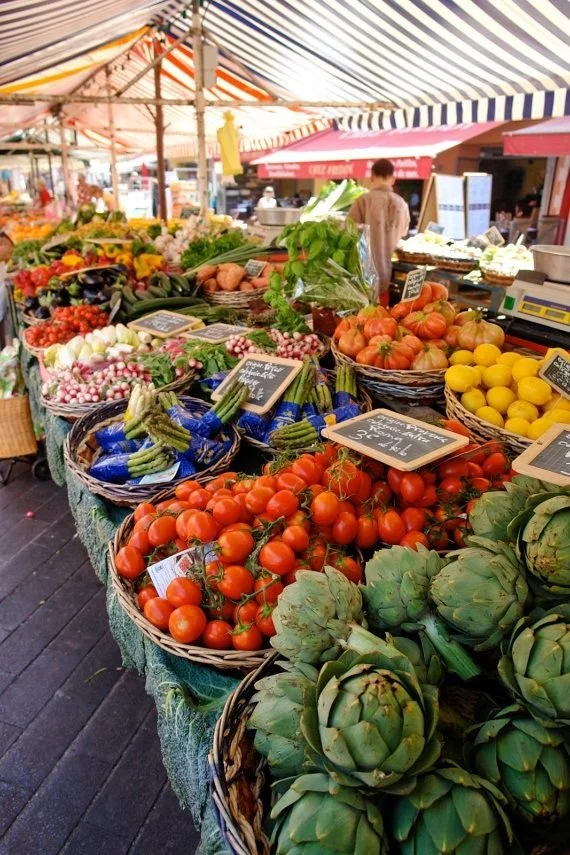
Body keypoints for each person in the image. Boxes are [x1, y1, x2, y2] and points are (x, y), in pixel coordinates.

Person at [349, 159, 410, 303]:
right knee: (382, 319)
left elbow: (349, 232)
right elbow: (403, 233)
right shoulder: (402, 204)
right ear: (393, 179)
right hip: (387, 276)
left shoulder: (363, 201)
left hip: (363, 277)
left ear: (371, 176)